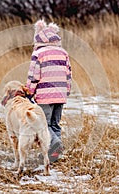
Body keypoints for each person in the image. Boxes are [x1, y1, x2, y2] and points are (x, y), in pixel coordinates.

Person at [26, 19, 72, 162]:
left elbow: (34, 76)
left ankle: (55, 144)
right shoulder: (63, 53)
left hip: (44, 96)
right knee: (55, 124)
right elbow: (68, 75)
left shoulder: (38, 54)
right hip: (60, 96)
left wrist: (29, 92)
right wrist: (66, 92)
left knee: (44, 125)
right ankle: (54, 155)